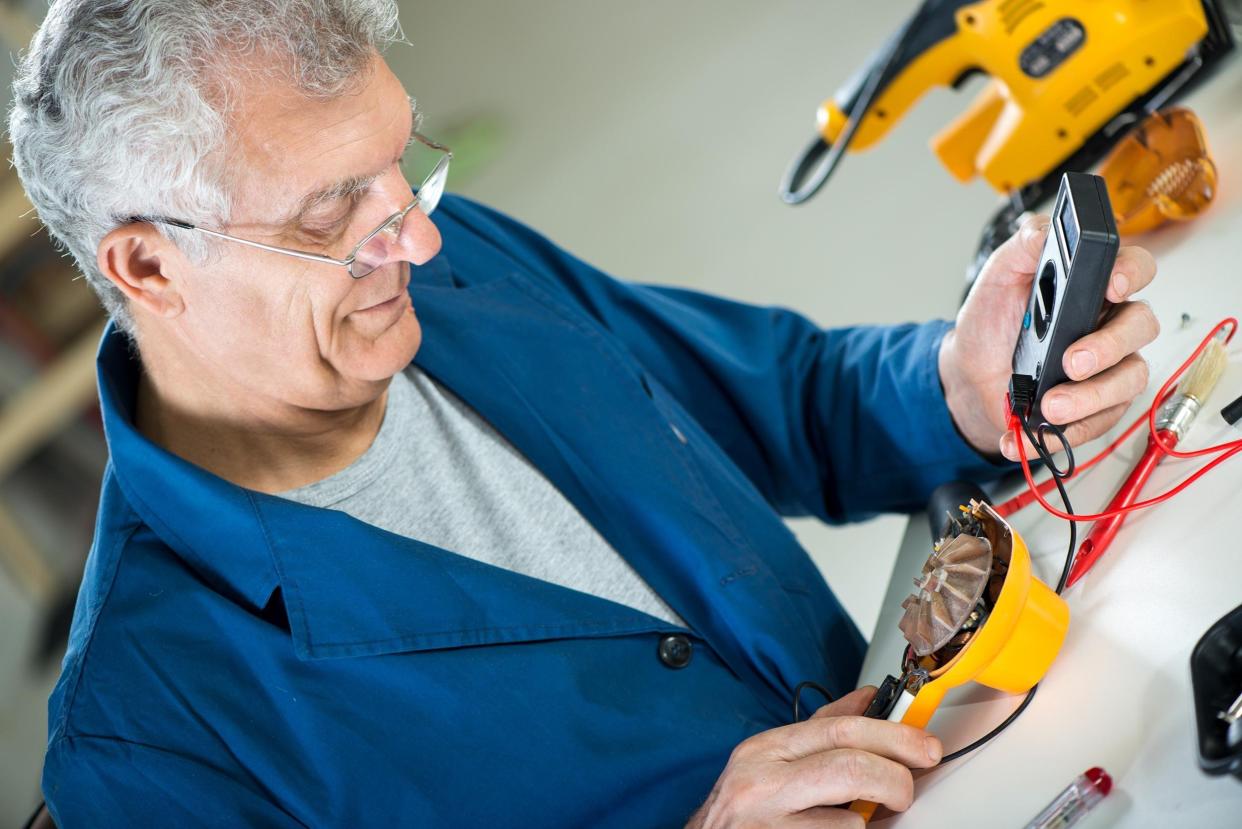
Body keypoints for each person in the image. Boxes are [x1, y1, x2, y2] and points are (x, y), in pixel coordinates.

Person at [9, 1, 1158, 826]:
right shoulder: (150, 742)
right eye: (332, 215)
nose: (415, 237)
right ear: (151, 268)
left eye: (399, 164)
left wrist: (954, 383)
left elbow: (786, 405)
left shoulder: (451, 273)